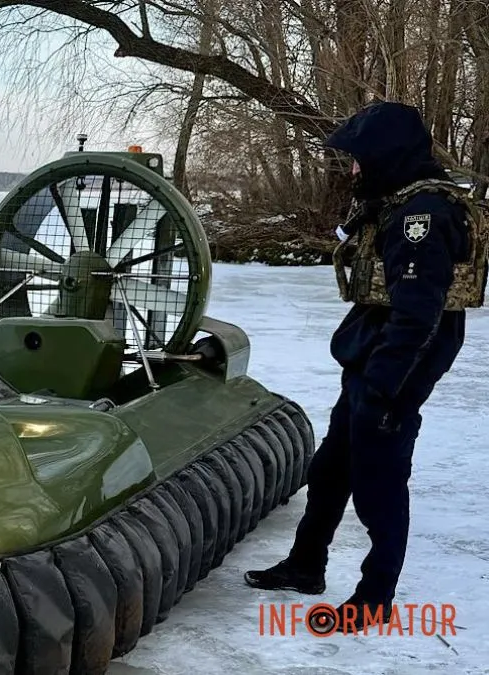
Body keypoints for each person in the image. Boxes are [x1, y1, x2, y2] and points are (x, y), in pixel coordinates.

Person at [244, 101, 486, 630]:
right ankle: (306, 565)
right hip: (371, 361)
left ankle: (374, 598)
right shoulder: (395, 202)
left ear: (384, 155)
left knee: (379, 484)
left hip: (393, 370)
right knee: (331, 470)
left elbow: (417, 316)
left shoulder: (423, 215)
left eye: (356, 159)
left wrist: (382, 388)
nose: (351, 170)